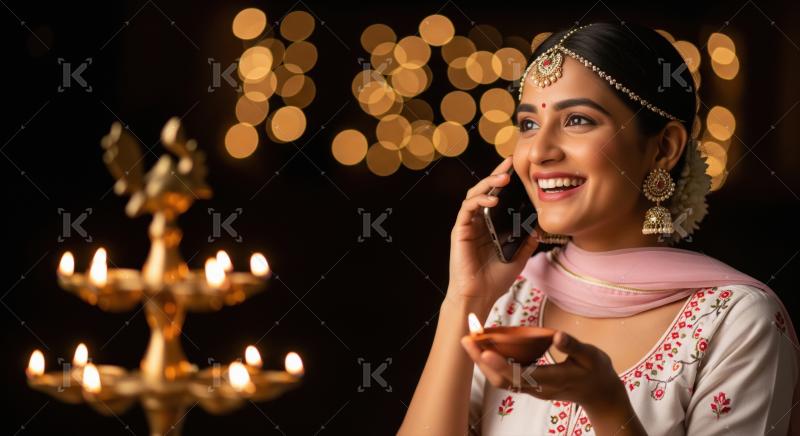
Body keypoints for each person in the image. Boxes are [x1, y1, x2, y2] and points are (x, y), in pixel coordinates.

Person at [398, 22, 800, 436]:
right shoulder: (510, 303)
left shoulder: (735, 322)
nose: (539, 151)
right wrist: (466, 299)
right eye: (528, 124)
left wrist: (606, 404)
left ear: (663, 148)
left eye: (577, 120)